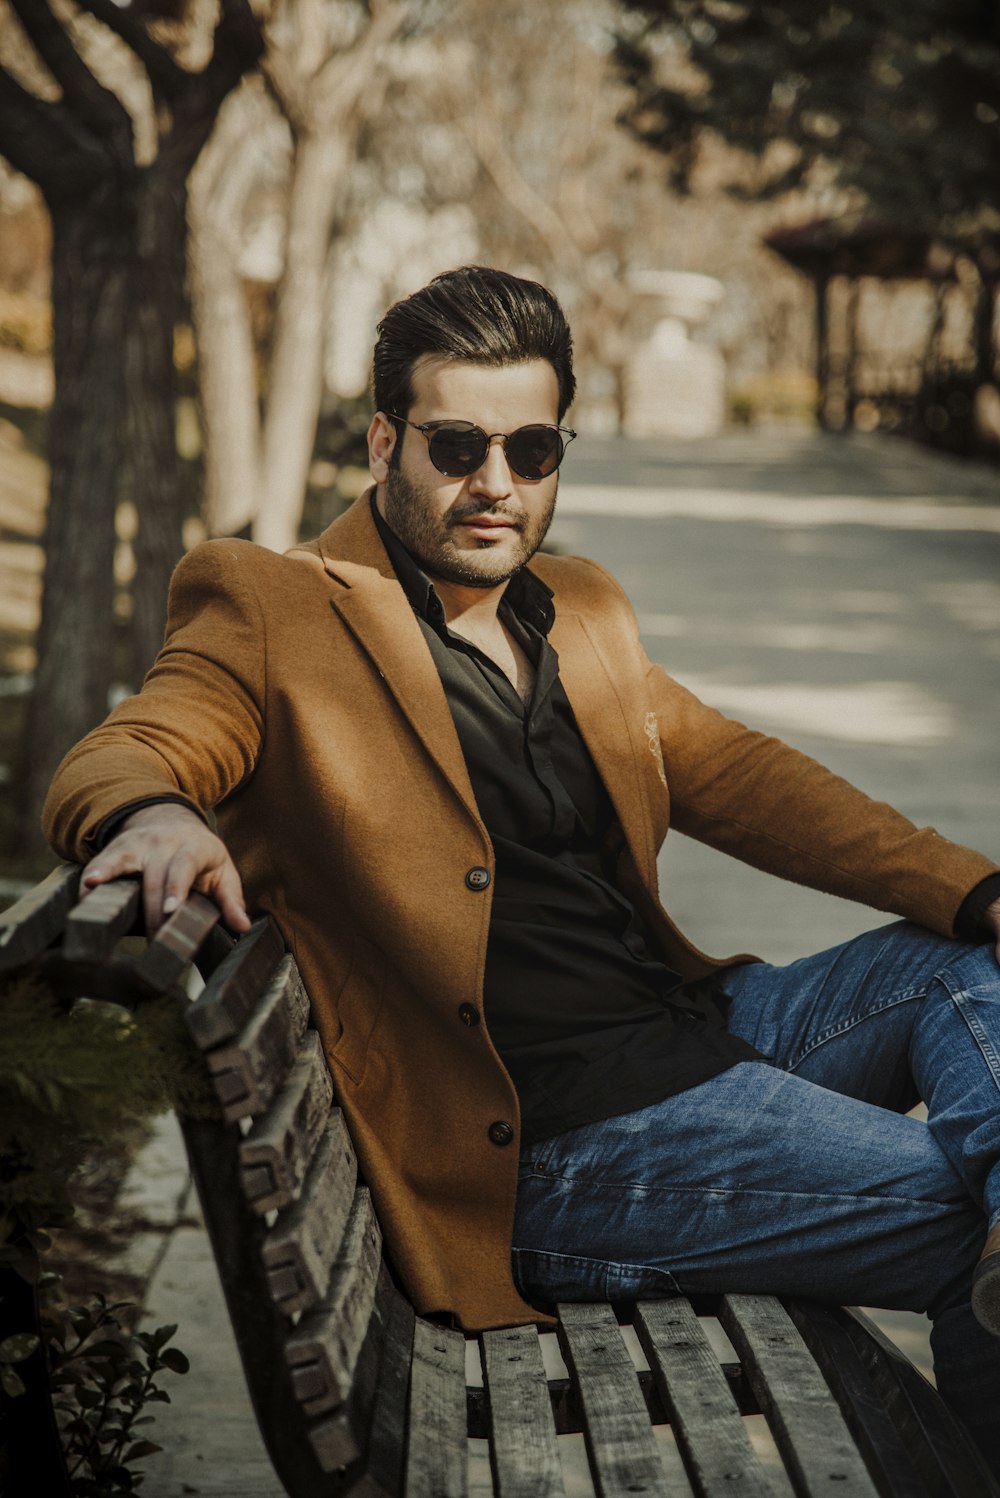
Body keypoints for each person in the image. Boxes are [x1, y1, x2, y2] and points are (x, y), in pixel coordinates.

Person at [44, 265, 1000, 1468]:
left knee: (961, 958)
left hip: (694, 1034)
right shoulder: (278, 610)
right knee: (969, 1223)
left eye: (532, 447)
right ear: (385, 440)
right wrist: (151, 811)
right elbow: (131, 742)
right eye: (456, 445)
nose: (495, 483)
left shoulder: (578, 608)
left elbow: (739, 774)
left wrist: (977, 888)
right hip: (545, 1142)